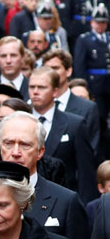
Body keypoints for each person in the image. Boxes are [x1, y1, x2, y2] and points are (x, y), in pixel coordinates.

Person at [27, 66, 96, 202]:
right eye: (32, 87)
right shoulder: (19, 121)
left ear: (55, 91)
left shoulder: (74, 124)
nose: (35, 92)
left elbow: (85, 172)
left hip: (63, 200)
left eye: (41, 87)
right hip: (26, 199)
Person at [73, 4, 110, 148]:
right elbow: (80, 65)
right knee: (99, 119)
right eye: (98, 22)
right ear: (92, 22)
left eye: (103, 22)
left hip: (108, 84)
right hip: (95, 85)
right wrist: (84, 86)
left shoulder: (108, 38)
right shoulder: (85, 39)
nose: (101, 25)